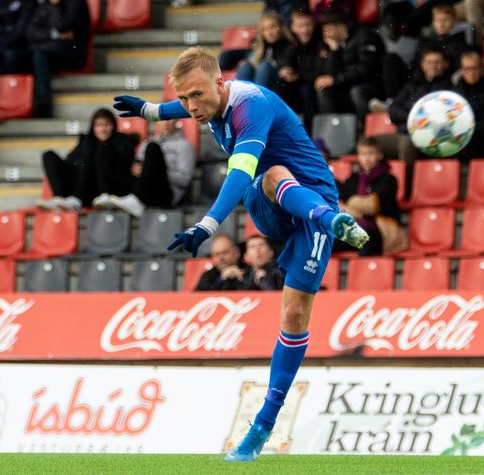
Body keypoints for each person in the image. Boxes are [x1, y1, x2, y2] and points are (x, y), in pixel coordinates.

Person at [113, 46, 368, 462]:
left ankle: (262, 426)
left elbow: (239, 172)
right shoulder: (206, 101)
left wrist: (207, 224)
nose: (191, 107)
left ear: (220, 83)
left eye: (197, 95)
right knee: (272, 177)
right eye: (185, 97)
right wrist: (150, 111)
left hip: (309, 197)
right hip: (274, 208)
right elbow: (183, 104)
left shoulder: (251, 106)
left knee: (294, 315)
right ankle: (332, 220)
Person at [35, 108, 137, 212]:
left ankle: (99, 197)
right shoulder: (87, 143)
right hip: (82, 187)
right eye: (98, 125)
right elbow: (71, 162)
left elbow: (125, 164)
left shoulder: (123, 140)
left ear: (114, 125)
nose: (103, 129)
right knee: (48, 155)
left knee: (102, 149)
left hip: (111, 190)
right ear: (93, 127)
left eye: (106, 125)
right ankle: (59, 200)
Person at [92, 119, 197, 217]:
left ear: (176, 121)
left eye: (168, 119)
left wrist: (157, 171)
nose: (165, 123)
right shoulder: (145, 144)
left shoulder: (185, 146)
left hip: (165, 194)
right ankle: (106, 195)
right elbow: (137, 167)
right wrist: (138, 170)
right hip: (143, 188)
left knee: (153, 147)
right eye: (160, 119)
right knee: (105, 149)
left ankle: (137, 200)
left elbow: (185, 180)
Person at [374, 46, 452, 176]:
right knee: (368, 143)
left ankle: (408, 187)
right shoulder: (412, 86)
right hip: (404, 132)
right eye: (429, 62)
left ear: (445, 64)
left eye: (437, 62)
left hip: (431, 138)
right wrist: (414, 117)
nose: (433, 66)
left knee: (407, 144)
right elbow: (393, 109)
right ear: (423, 65)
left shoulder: (450, 89)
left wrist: (415, 119)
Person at [314, 8, 385, 129]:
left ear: (341, 27)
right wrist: (334, 51)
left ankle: (363, 131)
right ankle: (335, 131)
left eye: (329, 29)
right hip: (346, 87)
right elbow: (328, 75)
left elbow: (365, 69)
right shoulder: (329, 44)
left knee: (357, 92)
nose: (326, 34)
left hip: (369, 86)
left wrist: (336, 79)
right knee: (324, 92)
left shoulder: (364, 36)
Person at [337, 137, 406, 256]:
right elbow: (339, 204)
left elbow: (372, 205)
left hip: (381, 231)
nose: (366, 158)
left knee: (364, 237)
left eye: (371, 153)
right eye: (363, 154)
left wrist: (352, 203)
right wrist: (356, 212)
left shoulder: (389, 180)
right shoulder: (352, 179)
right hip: (354, 228)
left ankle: (363, 273)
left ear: (380, 155)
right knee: (326, 238)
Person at [25, 0, 90, 117]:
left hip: (71, 53)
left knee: (39, 54)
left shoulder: (76, 3)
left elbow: (62, 24)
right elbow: (30, 32)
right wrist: (53, 35)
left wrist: (55, 6)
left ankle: (44, 103)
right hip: (48, 51)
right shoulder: (45, 5)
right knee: (26, 55)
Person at [274, 8, 320, 130]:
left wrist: (298, 75)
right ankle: (278, 128)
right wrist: (285, 70)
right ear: (293, 27)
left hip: (311, 85)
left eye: (308, 25)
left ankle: (308, 133)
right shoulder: (291, 45)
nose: (305, 30)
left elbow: (320, 71)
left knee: (306, 90)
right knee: (280, 86)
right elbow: (286, 63)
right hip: (296, 85)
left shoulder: (320, 44)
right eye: (300, 26)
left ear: (313, 24)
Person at [452, 49, 484, 160]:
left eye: (475, 68)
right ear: (462, 71)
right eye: (467, 69)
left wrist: (468, 129)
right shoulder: (456, 91)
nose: (471, 72)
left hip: (481, 133)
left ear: (482, 69)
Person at [235, 12, 293, 90]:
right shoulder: (260, 47)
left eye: (273, 27)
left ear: (281, 28)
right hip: (259, 82)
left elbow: (287, 68)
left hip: (279, 84)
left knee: (264, 66)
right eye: (265, 29)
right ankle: (240, 99)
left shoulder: (289, 46)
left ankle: (258, 99)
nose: (269, 32)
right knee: (245, 66)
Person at [0, 0, 36, 76]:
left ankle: (10, 85)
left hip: (18, 45)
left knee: (9, 55)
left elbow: (22, 28)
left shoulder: (27, 2)